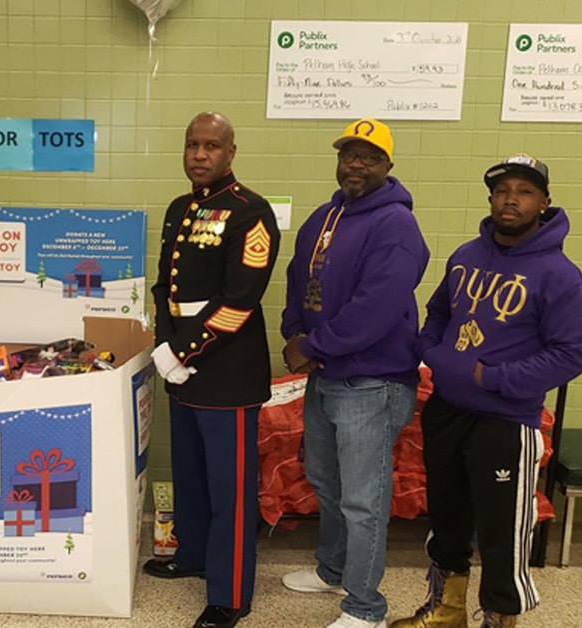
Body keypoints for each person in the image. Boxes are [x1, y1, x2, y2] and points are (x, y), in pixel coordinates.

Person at [390, 155, 582, 628]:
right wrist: (432, 352)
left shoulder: (559, 274)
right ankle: (448, 608)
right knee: (447, 519)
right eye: (503, 191)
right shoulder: (465, 256)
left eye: (524, 192)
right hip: (447, 411)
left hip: (506, 422)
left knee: (502, 534)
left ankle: (499, 618)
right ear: (490, 199)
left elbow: (571, 354)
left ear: (543, 202)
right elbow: (438, 312)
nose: (511, 199)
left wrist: (493, 379)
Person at [280, 118, 430, 628]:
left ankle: (366, 608)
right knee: (325, 480)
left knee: (364, 500)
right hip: (327, 375)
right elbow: (297, 276)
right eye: (349, 154)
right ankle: (334, 570)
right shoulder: (325, 216)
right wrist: (294, 332)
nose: (356, 164)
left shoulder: (396, 225)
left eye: (369, 156)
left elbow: (378, 306)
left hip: (373, 381)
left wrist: (315, 345)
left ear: (388, 166)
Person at [144, 111, 280, 628]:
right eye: (192, 145)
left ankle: (230, 595)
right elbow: (165, 289)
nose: (200, 155)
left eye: (212, 146)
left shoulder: (251, 212)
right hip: (182, 367)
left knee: (231, 491)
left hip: (226, 371)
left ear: (231, 153)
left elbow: (239, 301)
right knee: (191, 476)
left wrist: (183, 351)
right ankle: (194, 556)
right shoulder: (181, 208)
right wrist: (164, 343)